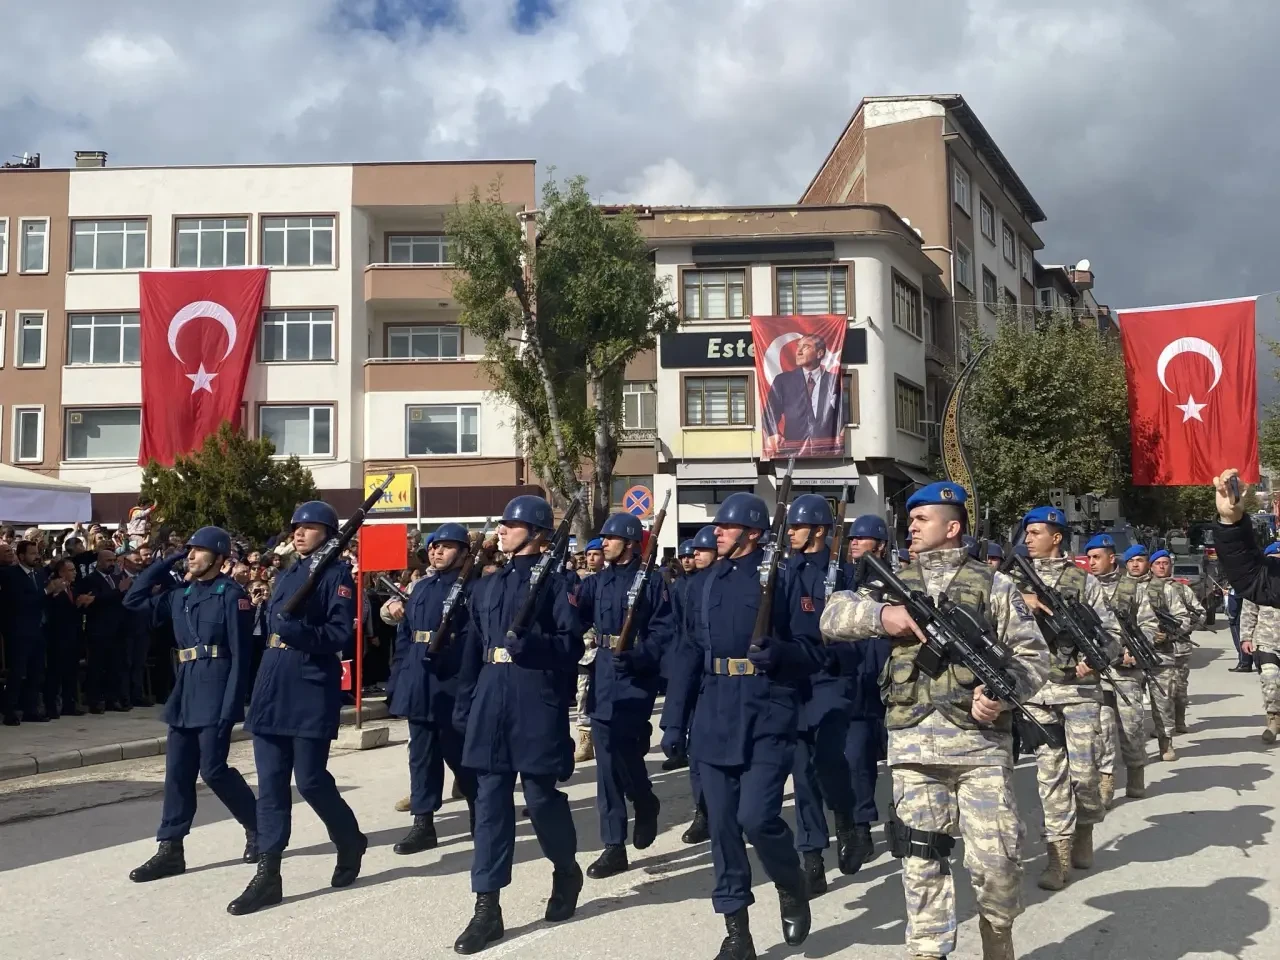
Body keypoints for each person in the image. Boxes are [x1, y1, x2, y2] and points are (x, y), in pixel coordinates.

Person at [821, 482, 1048, 960]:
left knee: (996, 865)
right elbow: (833, 616)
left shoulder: (994, 585)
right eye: (911, 519)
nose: (911, 527)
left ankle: (997, 932)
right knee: (920, 862)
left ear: (953, 527)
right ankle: (928, 950)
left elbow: (1034, 659)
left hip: (980, 750)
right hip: (913, 747)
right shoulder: (891, 579)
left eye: (922, 518)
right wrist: (883, 616)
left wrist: (1002, 698)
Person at [661, 492, 816, 960]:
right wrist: (672, 721)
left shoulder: (784, 581)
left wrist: (782, 655)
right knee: (724, 827)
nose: (716, 534)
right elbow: (688, 653)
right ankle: (737, 932)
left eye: (725, 528)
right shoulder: (702, 585)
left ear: (750, 533)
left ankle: (790, 883)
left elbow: (815, 651)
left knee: (756, 818)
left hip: (767, 712)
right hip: (714, 715)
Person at [451, 495, 584, 954]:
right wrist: (465, 703)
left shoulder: (557, 583)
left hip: (535, 696)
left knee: (541, 797)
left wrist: (535, 644)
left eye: (512, 523)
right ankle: (487, 907)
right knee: (488, 802)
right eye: (503, 524)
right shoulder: (487, 585)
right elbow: (473, 648)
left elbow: (570, 649)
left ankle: (565, 869)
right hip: (491, 696)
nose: (502, 530)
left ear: (538, 532)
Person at [227, 501, 366, 916]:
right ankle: (269, 874)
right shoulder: (290, 571)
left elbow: (339, 633)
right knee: (270, 786)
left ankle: (348, 838)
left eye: (309, 527)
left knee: (309, 780)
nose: (300, 532)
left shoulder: (337, 575)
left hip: (308, 684)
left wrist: (295, 630)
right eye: (297, 527)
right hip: (273, 682)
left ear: (328, 533)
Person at [124, 527, 259, 882]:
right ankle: (170, 848)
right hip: (185, 690)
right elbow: (133, 601)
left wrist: (233, 705)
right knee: (177, 773)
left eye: (198, 551)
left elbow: (242, 656)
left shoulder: (232, 596)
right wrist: (163, 562)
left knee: (213, 770)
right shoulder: (180, 594)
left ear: (218, 558)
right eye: (188, 551)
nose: (191, 556)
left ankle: (258, 828)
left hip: (216, 690)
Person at [1014, 506, 1120, 892]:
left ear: (1056, 537)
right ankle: (1057, 855)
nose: (1028, 539)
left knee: (1084, 775)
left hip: (1078, 693)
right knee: (1050, 775)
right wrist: (1019, 601)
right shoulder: (1011, 582)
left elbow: (1111, 634)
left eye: (1036, 532)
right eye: (1026, 533)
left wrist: (1092, 663)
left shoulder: (1083, 581)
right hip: (1037, 694)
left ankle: (1086, 825)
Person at [573, 512, 673, 880]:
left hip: (634, 676)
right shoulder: (595, 583)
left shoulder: (651, 582)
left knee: (625, 749)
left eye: (611, 539)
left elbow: (664, 631)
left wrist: (640, 656)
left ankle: (644, 800)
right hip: (602, 671)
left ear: (630, 543)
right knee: (605, 760)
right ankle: (613, 844)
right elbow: (574, 618)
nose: (604, 545)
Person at [783, 494, 860, 896]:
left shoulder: (843, 574)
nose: (791, 532)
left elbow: (860, 630)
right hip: (796, 680)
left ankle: (845, 817)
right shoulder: (781, 573)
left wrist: (838, 653)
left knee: (828, 760)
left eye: (798, 526)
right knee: (802, 771)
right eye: (791, 526)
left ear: (818, 530)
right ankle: (811, 853)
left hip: (830, 679)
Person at [387, 523, 479, 854]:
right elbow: (405, 637)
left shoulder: (472, 589)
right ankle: (423, 823)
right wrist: (398, 680)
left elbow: (475, 640)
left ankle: (478, 811)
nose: (437, 551)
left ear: (464, 553)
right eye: (433, 547)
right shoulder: (422, 588)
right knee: (421, 755)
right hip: (418, 679)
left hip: (452, 680)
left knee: (460, 752)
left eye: (446, 546)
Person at [1085, 535, 1157, 804]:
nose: (1091, 563)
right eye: (1089, 558)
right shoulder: (1085, 587)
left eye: (1096, 557)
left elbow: (1149, 625)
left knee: (1131, 726)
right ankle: (1106, 780)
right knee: (1101, 729)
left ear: (1111, 558)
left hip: (1126, 670)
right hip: (1099, 672)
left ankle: (1136, 772)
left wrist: (1134, 653)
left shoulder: (1132, 587)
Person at [840, 514, 893, 873]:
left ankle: (903, 822)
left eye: (863, 538)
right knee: (857, 764)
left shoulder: (897, 582)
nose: (855, 543)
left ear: (881, 546)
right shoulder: (842, 582)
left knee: (903, 765)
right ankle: (861, 829)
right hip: (857, 689)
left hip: (893, 691)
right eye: (852, 538)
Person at [666, 524, 719, 844]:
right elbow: (681, 634)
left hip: (728, 677)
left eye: (701, 550)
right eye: (692, 551)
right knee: (697, 752)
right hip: (696, 673)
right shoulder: (686, 588)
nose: (694, 556)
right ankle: (703, 811)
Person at [1150, 549, 1204, 735]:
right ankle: (1163, 726)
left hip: (1179, 647)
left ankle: (1179, 719)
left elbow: (1200, 614)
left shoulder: (1182, 589)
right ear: (1152, 567)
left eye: (1165, 563)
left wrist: (1182, 629)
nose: (1162, 566)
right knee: (1160, 688)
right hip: (1154, 646)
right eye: (1158, 563)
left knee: (1179, 687)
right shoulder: (1145, 588)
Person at [0, 540, 54, 724]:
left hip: (38, 629)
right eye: (32, 553)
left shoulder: (38, 574)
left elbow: (41, 601)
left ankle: (31, 709)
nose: (36, 556)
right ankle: (10, 711)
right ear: (21, 556)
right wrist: (47, 591)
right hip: (19, 630)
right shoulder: (10, 575)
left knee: (36, 671)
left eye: (37, 553)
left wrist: (52, 593)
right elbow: (21, 602)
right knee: (17, 672)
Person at [762, 333, 840, 457]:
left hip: (828, 451)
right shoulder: (783, 381)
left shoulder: (834, 381)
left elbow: (842, 414)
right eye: (798, 347)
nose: (798, 351)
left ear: (820, 353)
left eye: (805, 347)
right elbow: (769, 414)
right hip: (792, 452)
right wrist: (773, 433)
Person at [1238, 542, 1280, 743]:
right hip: (1267, 642)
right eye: (1274, 559)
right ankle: (1273, 721)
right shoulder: (1259, 585)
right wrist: (1246, 637)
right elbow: (1248, 612)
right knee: (1270, 680)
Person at [80, 547, 129, 713]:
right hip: (99, 630)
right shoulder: (90, 580)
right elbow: (95, 600)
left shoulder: (116, 578)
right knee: (97, 666)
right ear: (99, 562)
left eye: (114, 560)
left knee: (115, 666)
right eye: (108, 560)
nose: (112, 564)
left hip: (117, 629)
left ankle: (112, 698)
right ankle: (95, 700)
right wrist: (118, 591)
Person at [574, 536, 606, 764]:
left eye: (596, 554)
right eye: (588, 555)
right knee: (583, 693)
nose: (591, 558)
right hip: (586, 648)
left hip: (608, 648)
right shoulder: (583, 583)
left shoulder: (610, 581)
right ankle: (585, 739)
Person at [43, 558, 84, 719]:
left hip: (73, 636)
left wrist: (79, 604)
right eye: (70, 570)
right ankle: (51, 706)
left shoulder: (72, 588)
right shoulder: (55, 587)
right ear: (61, 572)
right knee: (55, 673)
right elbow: (51, 609)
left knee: (71, 672)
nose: (74, 573)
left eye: (75, 569)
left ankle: (69, 704)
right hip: (57, 636)